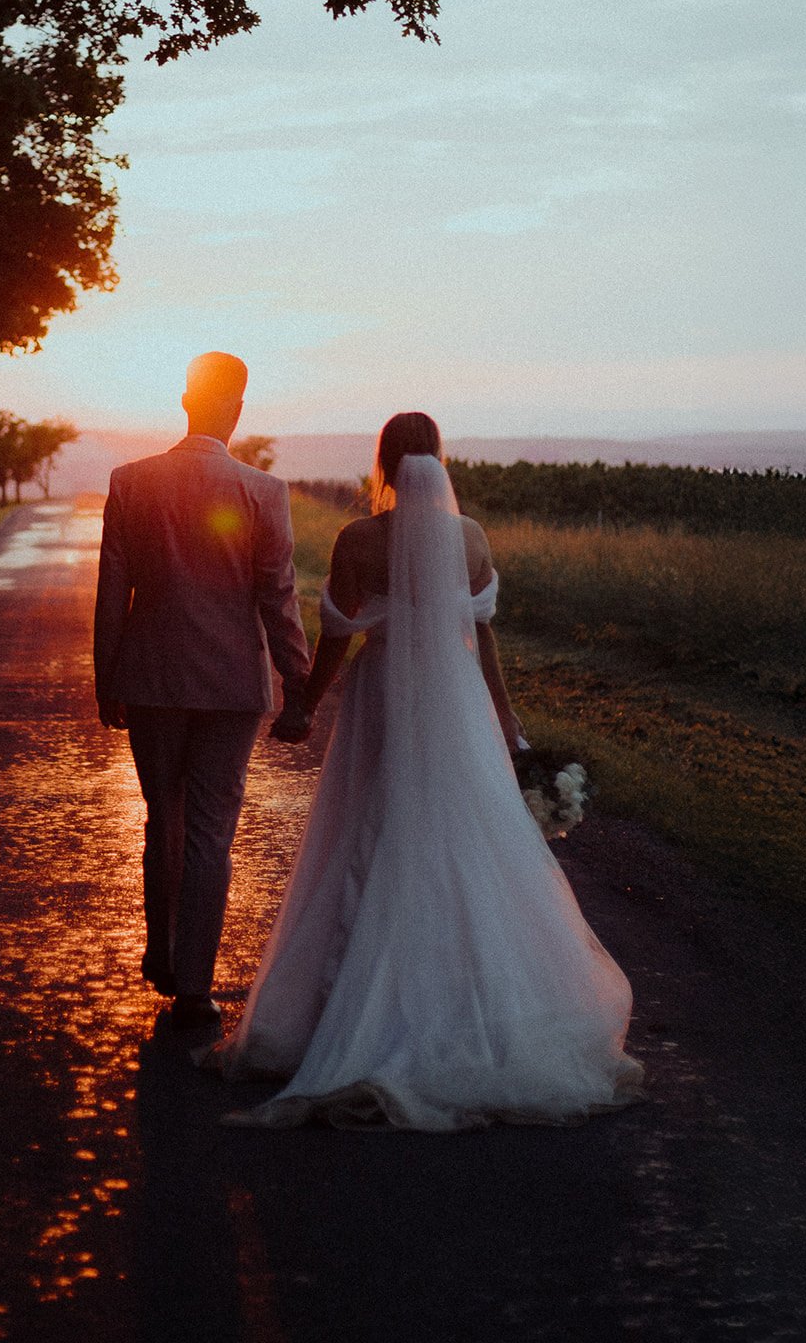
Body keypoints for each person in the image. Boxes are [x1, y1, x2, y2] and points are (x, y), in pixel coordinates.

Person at [206, 412, 644, 1128]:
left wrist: (305, 708)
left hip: (383, 698)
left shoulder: (358, 540)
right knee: (461, 838)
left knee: (367, 836)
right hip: (457, 699)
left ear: (381, 463)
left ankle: (355, 1014)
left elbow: (338, 639)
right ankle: (472, 1012)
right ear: (439, 459)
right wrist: (505, 721)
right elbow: (484, 637)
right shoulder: (468, 537)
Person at [95, 352, 312, 1028]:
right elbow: (277, 594)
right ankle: (193, 985)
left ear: (184, 403)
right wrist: (298, 678)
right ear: (237, 411)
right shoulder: (262, 491)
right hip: (231, 685)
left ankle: (161, 951)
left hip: (152, 677)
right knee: (211, 832)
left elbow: (111, 593)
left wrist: (109, 680)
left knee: (165, 816)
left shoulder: (131, 481)